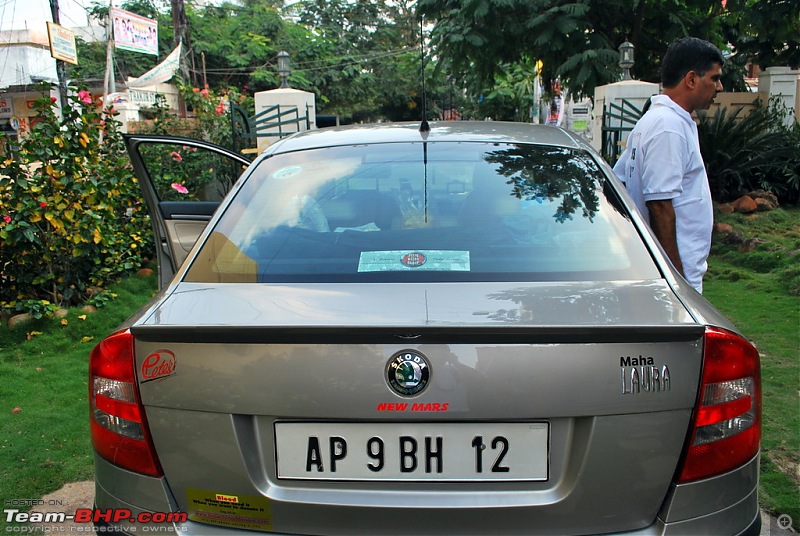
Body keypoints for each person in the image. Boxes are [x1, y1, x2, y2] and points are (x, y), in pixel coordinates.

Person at [613, 37, 724, 293]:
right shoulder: (668, 126)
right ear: (692, 79)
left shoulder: (662, 120)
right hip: (673, 276)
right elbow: (660, 205)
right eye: (714, 78)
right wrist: (677, 284)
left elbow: (619, 181)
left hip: (668, 271)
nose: (719, 87)